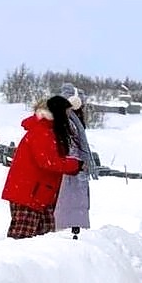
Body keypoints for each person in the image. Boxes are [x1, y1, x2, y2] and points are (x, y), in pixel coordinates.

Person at [1, 96, 82, 238]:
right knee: (22, 240)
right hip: (29, 194)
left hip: (40, 194)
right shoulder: (41, 132)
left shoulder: (47, 130)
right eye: (66, 114)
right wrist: (75, 165)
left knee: (44, 239)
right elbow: (48, 162)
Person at [53, 83, 100, 239]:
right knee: (68, 211)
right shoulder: (68, 123)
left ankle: (73, 232)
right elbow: (68, 149)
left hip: (75, 173)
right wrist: (79, 164)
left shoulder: (72, 122)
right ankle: (71, 234)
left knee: (72, 210)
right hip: (71, 173)